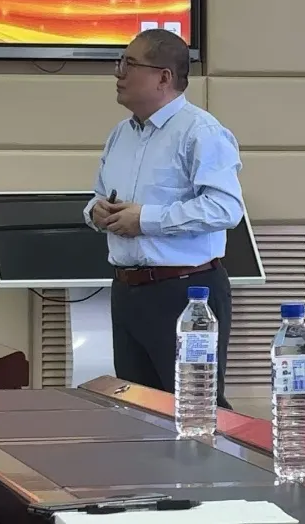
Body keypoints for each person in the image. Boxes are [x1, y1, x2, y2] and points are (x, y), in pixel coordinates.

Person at [84, 28, 243, 409]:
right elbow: (97, 197)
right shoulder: (120, 134)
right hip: (127, 291)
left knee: (194, 407)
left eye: (129, 64)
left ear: (164, 77)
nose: (119, 73)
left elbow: (226, 207)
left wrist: (146, 220)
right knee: (137, 410)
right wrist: (95, 212)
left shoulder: (200, 132)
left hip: (187, 293)